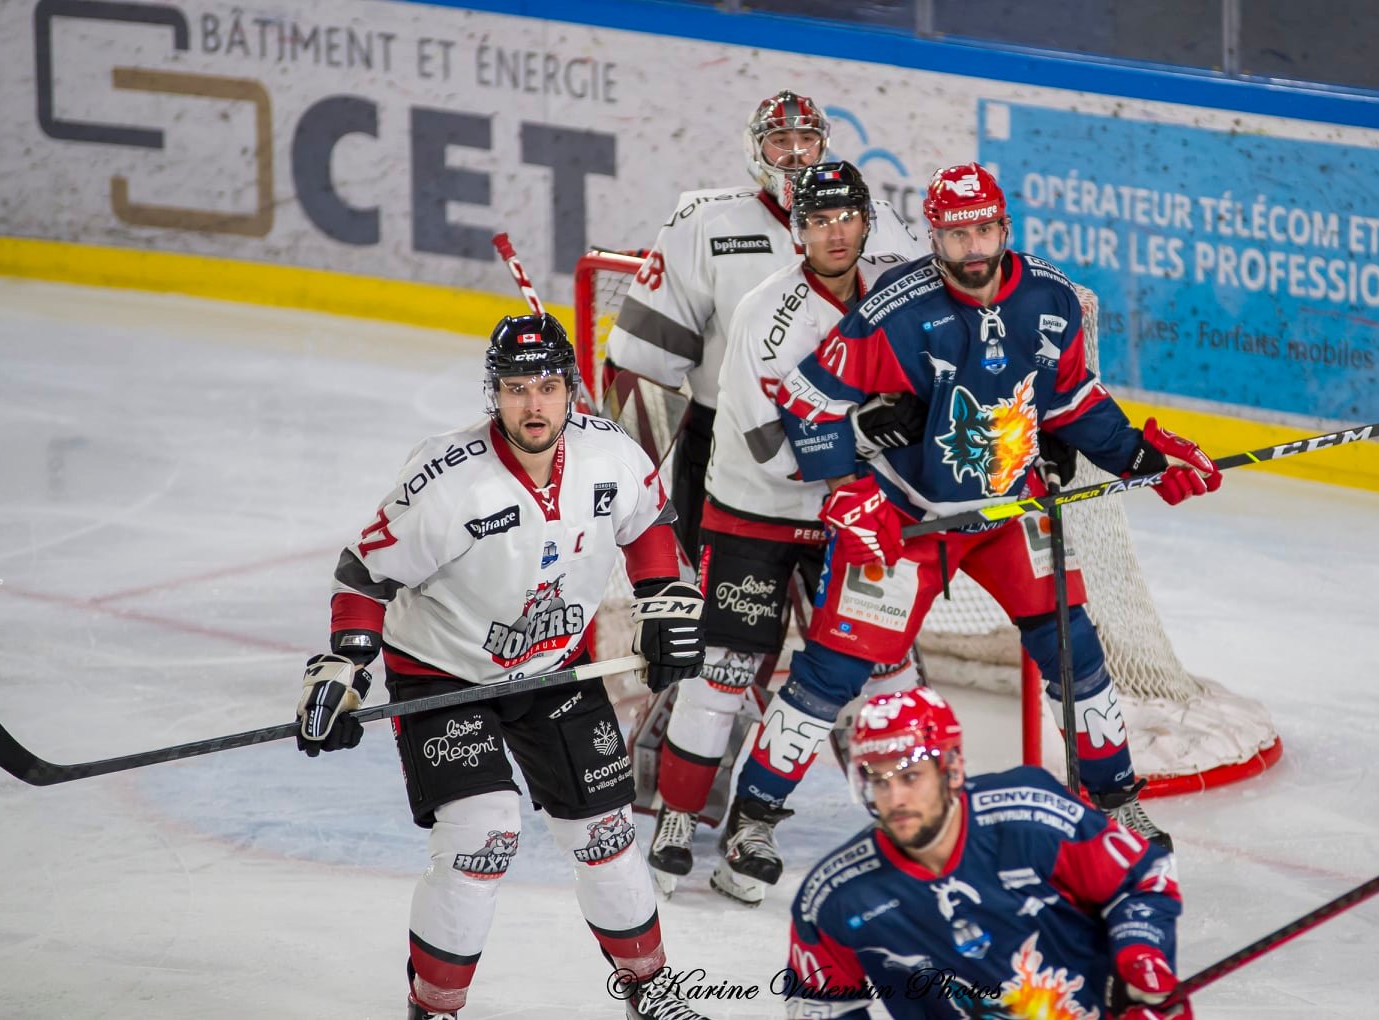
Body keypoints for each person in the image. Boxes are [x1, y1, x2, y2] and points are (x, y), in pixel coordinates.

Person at [731, 162, 1223, 874]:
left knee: (1075, 650)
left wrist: (1141, 456)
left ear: (1004, 229)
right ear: (934, 236)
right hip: (910, 519)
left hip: (1008, 509)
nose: (972, 248)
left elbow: (1070, 399)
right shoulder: (896, 310)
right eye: (957, 234)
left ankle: (1115, 802)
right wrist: (849, 490)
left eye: (984, 230)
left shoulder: (1050, 297)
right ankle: (753, 819)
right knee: (832, 670)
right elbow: (808, 402)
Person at [293, 313, 715, 1020]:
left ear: (571, 389)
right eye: (516, 388)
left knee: (606, 836)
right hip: (445, 676)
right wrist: (346, 666)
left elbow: (648, 522)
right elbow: (365, 576)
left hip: (555, 667)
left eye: (547, 386)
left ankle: (651, 990)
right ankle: (435, 1009)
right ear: (494, 394)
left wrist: (661, 597)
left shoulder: (610, 456)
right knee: (480, 837)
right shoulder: (446, 479)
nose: (533, 405)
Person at [641, 162, 925, 904]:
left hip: (857, 511)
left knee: (887, 672)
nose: (836, 232)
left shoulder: (897, 298)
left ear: (867, 222)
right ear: (798, 231)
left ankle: (777, 824)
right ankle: (678, 817)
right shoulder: (766, 313)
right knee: (724, 675)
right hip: (757, 512)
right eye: (819, 220)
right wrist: (864, 436)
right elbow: (771, 447)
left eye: (847, 217)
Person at [605, 89, 924, 561]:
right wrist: (622, 476)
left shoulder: (879, 222)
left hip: (865, 447)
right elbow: (645, 359)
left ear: (824, 145)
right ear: (755, 150)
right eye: (780, 140)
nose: (795, 153)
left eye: (806, 139)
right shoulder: (704, 224)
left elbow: (928, 330)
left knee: (860, 595)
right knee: (701, 599)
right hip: (732, 453)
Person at [784, 686, 1190, 1019]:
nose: (895, 798)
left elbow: (1141, 879)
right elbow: (822, 1008)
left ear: (952, 770)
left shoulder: (1033, 815)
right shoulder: (835, 897)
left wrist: (1142, 959)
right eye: (879, 780)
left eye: (910, 776)